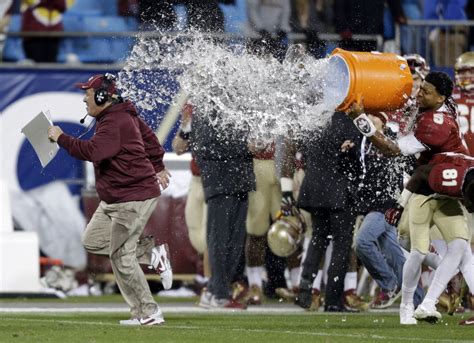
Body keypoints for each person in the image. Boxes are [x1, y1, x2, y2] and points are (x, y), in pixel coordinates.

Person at [47, 73, 173, 326]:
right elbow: (150, 140)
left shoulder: (115, 120)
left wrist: (61, 138)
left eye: (88, 93)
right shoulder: (120, 115)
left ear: (102, 96)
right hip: (116, 197)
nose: (84, 98)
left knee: (121, 256)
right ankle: (151, 254)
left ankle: (148, 312)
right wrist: (158, 165)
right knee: (92, 240)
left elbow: (95, 151)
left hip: (132, 196)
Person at [347, 71, 470, 324]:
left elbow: (393, 149)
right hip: (428, 189)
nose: (419, 93)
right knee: (413, 250)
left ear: (441, 98)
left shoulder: (437, 122)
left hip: (434, 191)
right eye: (420, 87)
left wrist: (360, 119)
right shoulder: (440, 110)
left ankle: (425, 303)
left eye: (426, 91)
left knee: (459, 246)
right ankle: (407, 306)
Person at [281, 111, 362, 312]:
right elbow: (353, 157)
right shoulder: (349, 120)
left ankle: (305, 292)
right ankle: (333, 300)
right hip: (339, 190)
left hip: (314, 188)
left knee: (317, 240)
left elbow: (301, 153)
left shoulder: (312, 118)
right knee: (341, 245)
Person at [349, 112, 424, 309]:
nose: (370, 118)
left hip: (387, 202)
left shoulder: (393, 140)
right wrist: (346, 152)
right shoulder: (361, 141)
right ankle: (418, 300)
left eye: (375, 116)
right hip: (370, 202)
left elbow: (411, 165)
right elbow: (354, 169)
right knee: (395, 253)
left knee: (363, 242)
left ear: (383, 121)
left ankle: (390, 284)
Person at [191, 104, 256, 309]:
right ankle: (219, 293)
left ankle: (213, 290)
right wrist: (245, 146)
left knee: (234, 241)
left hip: (237, 180)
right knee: (220, 239)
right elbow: (204, 146)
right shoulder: (208, 107)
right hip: (221, 182)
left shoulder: (230, 105)